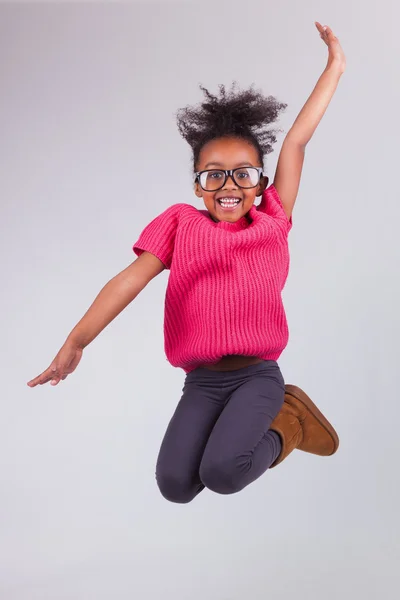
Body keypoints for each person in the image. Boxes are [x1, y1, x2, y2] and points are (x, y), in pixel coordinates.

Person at [28, 22, 345, 503]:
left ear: (260, 184)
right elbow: (129, 280)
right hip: (201, 381)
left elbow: (297, 141)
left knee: (223, 472)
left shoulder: (272, 220)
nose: (229, 187)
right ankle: (258, 431)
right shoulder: (180, 224)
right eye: (213, 176)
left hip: (258, 374)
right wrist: (77, 341)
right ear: (197, 186)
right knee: (176, 486)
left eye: (243, 174)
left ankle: (291, 422)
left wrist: (335, 66)